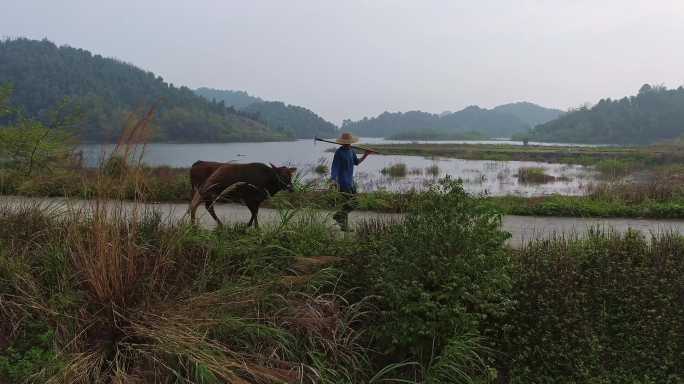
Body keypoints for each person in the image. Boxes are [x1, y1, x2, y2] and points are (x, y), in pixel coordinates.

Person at [330, 132, 371, 231]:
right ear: (342, 143)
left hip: (350, 182)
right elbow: (334, 167)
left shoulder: (351, 151)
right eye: (346, 143)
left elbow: (356, 162)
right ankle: (342, 221)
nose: (348, 144)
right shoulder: (339, 153)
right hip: (343, 182)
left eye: (349, 143)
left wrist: (366, 154)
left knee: (353, 203)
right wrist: (333, 180)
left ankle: (340, 218)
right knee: (350, 203)